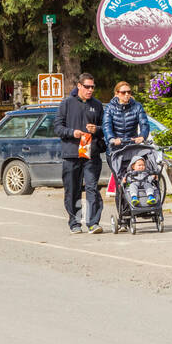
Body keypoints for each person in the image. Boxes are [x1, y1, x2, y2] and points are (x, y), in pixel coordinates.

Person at [56, 73, 105, 235]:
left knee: (92, 188)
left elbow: (105, 129)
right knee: (73, 189)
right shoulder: (67, 103)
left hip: (91, 154)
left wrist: (97, 129)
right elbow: (57, 127)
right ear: (79, 86)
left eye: (92, 87)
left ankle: (93, 223)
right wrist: (72, 132)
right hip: (72, 153)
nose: (90, 90)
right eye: (87, 87)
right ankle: (75, 222)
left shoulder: (97, 105)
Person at [103, 81, 150, 149]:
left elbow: (144, 124)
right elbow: (106, 126)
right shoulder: (109, 107)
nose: (127, 94)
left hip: (132, 146)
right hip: (115, 147)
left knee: (140, 160)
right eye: (123, 92)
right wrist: (111, 139)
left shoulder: (137, 106)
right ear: (117, 93)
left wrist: (142, 136)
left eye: (129, 92)